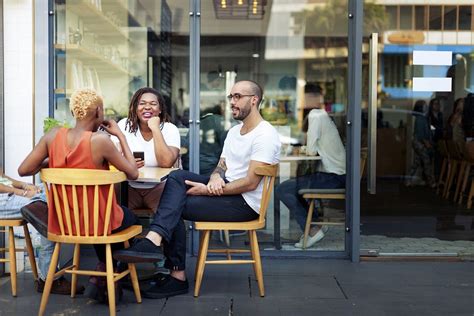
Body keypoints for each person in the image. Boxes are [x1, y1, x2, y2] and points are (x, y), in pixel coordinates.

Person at [113, 80, 281, 299]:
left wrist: (207, 190)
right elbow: (222, 165)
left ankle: (174, 271)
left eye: (237, 97)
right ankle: (156, 246)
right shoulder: (235, 132)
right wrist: (214, 178)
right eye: (231, 97)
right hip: (228, 189)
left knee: (174, 205)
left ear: (254, 99)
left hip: (245, 204)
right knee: (176, 177)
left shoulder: (265, 135)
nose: (232, 102)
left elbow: (250, 183)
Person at [18, 88, 140, 302]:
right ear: (99, 112)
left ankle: (104, 272)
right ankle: (108, 273)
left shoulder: (52, 135)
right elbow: (133, 172)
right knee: (127, 218)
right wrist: (120, 136)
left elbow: (24, 170)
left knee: (100, 222)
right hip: (96, 223)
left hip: (64, 222)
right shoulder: (101, 141)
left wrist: (53, 161)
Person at [275, 83, 346, 248]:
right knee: (294, 187)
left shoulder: (316, 115)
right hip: (338, 175)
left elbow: (312, 151)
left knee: (282, 189)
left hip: (333, 177)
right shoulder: (322, 116)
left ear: (311, 97)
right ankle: (315, 223)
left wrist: (297, 150)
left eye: (302, 96)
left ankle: (313, 229)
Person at [0, 171, 81, 295]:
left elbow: (2, 177)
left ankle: (48, 274)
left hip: (9, 194)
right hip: (3, 199)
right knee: (48, 200)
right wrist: (25, 193)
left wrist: (25, 186)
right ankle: (49, 277)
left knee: (49, 188)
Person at [117, 87, 181, 211]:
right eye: (142, 104)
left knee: (169, 217)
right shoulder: (124, 125)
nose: (147, 107)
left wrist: (155, 128)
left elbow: (166, 162)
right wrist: (126, 164)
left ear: (160, 109)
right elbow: (113, 158)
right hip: (128, 187)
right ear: (135, 108)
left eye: (153, 104)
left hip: (159, 188)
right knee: (113, 213)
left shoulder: (169, 129)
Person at [406, 100, 436, 188]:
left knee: (416, 162)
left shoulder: (421, 118)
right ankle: (431, 182)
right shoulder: (421, 119)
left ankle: (408, 180)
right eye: (425, 105)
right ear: (421, 108)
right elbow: (421, 134)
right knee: (426, 162)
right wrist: (427, 143)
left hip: (417, 143)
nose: (426, 107)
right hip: (420, 143)